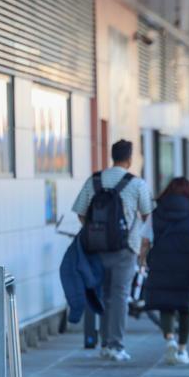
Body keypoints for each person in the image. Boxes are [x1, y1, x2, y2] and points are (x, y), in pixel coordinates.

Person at [72, 139, 152, 362]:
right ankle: (115, 345)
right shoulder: (137, 184)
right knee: (119, 295)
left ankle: (105, 344)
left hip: (96, 249)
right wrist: (141, 244)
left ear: (112, 156)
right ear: (129, 159)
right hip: (126, 248)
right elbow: (148, 216)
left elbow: (80, 212)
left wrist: (96, 232)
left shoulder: (94, 180)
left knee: (103, 294)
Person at [142, 177, 189, 366]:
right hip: (186, 266)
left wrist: (142, 260)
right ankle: (182, 350)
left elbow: (145, 240)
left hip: (161, 265)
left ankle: (169, 339)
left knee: (166, 305)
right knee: (185, 307)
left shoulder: (155, 214)